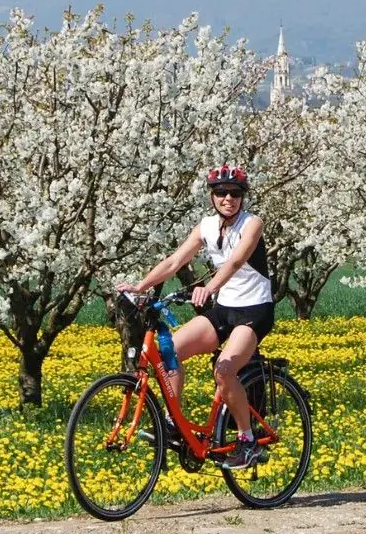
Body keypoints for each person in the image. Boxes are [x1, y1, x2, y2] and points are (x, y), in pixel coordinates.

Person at [118, 163, 275, 469]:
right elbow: (175, 261)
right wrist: (140, 286)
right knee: (168, 352)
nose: (227, 198)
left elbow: (236, 260)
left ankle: (247, 440)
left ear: (242, 197)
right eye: (220, 192)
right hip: (224, 309)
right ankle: (172, 423)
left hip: (254, 310)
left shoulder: (251, 223)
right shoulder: (206, 227)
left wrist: (209, 287)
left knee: (224, 369)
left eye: (234, 193)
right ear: (212, 196)